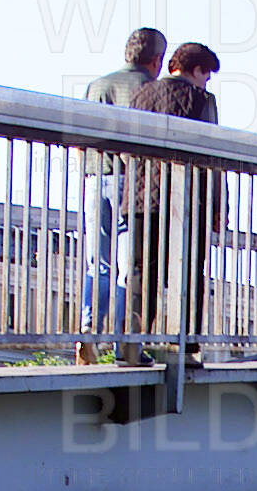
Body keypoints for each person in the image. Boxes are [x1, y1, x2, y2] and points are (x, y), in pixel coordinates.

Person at [126, 42, 221, 366]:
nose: (206, 83)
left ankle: (132, 343)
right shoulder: (202, 100)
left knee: (142, 273)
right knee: (189, 273)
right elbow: (212, 155)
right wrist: (216, 205)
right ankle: (184, 348)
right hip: (188, 200)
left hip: (143, 197)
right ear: (197, 70)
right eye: (206, 76)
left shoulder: (141, 94)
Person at [77, 28, 167, 366]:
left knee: (97, 263)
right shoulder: (150, 89)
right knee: (128, 269)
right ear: (156, 60)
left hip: (94, 177)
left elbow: (82, 137)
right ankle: (125, 344)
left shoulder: (97, 85)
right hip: (131, 183)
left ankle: (88, 330)